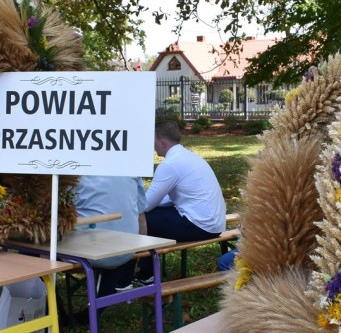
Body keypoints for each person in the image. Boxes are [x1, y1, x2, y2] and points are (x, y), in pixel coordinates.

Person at [135, 120, 226, 282]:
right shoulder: (189, 157)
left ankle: (145, 273)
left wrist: (136, 197)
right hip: (215, 224)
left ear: (162, 143)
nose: (153, 147)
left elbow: (146, 206)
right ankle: (146, 270)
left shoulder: (170, 164)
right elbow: (167, 198)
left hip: (200, 225)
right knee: (153, 216)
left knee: (141, 218)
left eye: (154, 142)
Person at [73, 175, 146, 298]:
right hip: (127, 249)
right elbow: (141, 216)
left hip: (88, 249)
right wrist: (143, 249)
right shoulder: (132, 166)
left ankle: (56, 311)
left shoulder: (73, 168)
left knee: (35, 251)